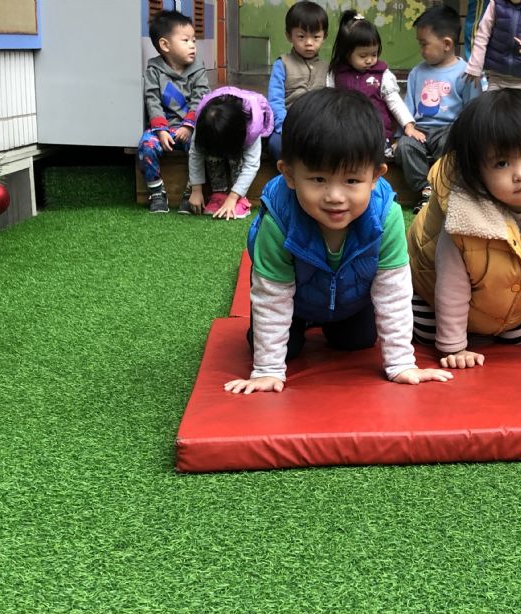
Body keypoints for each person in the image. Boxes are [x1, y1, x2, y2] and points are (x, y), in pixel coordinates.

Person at [224, 89, 453, 394]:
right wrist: (267, 369)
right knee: (284, 349)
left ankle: (334, 322)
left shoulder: (385, 216)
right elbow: (272, 296)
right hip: (296, 301)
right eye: (318, 179)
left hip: (349, 301)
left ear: (375, 177)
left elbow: (393, 290)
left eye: (352, 181)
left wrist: (401, 363)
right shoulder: (278, 221)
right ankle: (301, 324)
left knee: (357, 341)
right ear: (289, 175)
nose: (335, 196)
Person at [407, 89, 521, 370]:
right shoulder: (461, 215)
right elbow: (450, 286)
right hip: (434, 299)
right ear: (475, 171)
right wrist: (454, 347)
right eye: (501, 163)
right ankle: (461, 332)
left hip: (510, 305)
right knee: (422, 329)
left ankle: (498, 325)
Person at [394, 5, 479, 215]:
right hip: (420, 129)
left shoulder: (466, 73)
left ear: (447, 44)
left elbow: (472, 109)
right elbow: (408, 109)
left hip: (449, 128)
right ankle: (426, 190)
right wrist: (401, 135)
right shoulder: (416, 72)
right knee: (405, 146)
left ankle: (446, 189)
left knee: (451, 143)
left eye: (424, 44)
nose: (421, 50)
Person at [138, 10, 210, 214]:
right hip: (163, 128)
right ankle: (156, 192)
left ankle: (191, 191)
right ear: (165, 45)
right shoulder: (154, 71)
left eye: (194, 40)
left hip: (190, 127)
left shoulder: (198, 69)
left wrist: (189, 126)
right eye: (186, 40)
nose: (192, 45)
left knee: (202, 144)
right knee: (146, 145)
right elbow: (152, 99)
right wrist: (160, 130)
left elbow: (201, 99)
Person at [326, 9, 416, 158]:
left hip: (376, 134)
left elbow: (395, 102)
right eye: (363, 56)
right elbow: (328, 103)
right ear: (347, 53)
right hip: (345, 134)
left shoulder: (382, 75)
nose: (369, 60)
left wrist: (408, 124)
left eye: (374, 54)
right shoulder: (336, 73)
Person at [185, 87, 273, 220]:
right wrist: (196, 190)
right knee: (211, 154)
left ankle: (240, 199)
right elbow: (196, 152)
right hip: (225, 132)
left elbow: (251, 164)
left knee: (235, 157)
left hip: (244, 133)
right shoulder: (204, 123)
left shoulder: (252, 127)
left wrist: (233, 197)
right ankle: (219, 193)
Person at [266, 1, 329, 162]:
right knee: (275, 144)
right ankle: (289, 174)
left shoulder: (327, 68)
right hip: (288, 122)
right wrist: (285, 126)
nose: (309, 43)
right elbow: (275, 99)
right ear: (289, 35)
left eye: (316, 37)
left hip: (318, 124)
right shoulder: (282, 63)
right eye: (301, 36)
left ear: (324, 36)